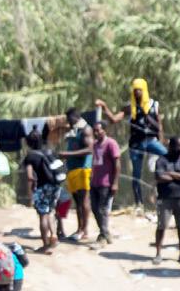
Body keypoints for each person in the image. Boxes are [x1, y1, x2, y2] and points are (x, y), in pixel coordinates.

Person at [97, 78, 166, 210]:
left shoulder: (154, 105)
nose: (137, 92)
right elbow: (114, 119)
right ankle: (138, 203)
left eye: (139, 90)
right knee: (136, 174)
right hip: (136, 143)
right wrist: (104, 107)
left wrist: (161, 140)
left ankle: (157, 190)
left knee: (167, 156)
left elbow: (160, 126)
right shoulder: (130, 107)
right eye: (135, 90)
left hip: (151, 141)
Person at [58, 108, 95, 242]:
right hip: (72, 169)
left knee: (84, 200)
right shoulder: (74, 131)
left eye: (69, 118)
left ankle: (85, 230)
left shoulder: (86, 129)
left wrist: (67, 154)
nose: (68, 121)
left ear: (74, 117)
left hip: (83, 169)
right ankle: (79, 228)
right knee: (77, 201)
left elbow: (90, 149)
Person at [21, 131, 61, 254]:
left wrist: (30, 195)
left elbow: (30, 177)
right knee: (50, 212)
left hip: (42, 187)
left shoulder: (30, 156)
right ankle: (53, 235)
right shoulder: (49, 152)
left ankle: (46, 245)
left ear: (28, 143)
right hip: (55, 186)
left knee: (43, 215)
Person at [154, 137, 180, 265]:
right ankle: (158, 253)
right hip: (165, 198)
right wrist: (178, 177)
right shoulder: (162, 160)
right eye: (177, 147)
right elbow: (159, 176)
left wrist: (170, 173)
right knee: (162, 226)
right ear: (170, 147)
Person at [88, 120, 121, 245]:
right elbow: (94, 161)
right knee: (94, 208)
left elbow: (117, 164)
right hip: (95, 181)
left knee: (102, 209)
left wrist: (115, 183)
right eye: (94, 131)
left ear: (105, 130)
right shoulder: (95, 144)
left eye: (98, 130)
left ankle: (103, 235)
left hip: (106, 183)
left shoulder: (111, 144)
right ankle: (105, 232)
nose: (96, 133)